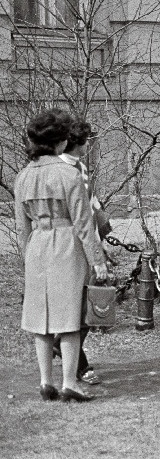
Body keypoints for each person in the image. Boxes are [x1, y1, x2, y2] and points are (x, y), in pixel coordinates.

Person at [15, 109, 109, 402]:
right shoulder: (69, 174)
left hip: (37, 245)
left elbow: (21, 227)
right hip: (67, 245)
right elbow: (84, 223)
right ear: (60, 142)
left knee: (40, 319)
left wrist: (27, 257)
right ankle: (70, 383)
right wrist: (98, 260)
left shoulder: (23, 177)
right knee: (69, 317)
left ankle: (46, 383)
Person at [53, 119, 108, 386]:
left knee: (85, 307)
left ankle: (63, 348)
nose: (89, 145)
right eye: (87, 141)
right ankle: (79, 364)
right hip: (73, 244)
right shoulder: (62, 167)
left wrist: (103, 224)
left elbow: (90, 200)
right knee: (78, 306)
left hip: (89, 240)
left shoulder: (80, 166)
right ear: (77, 143)